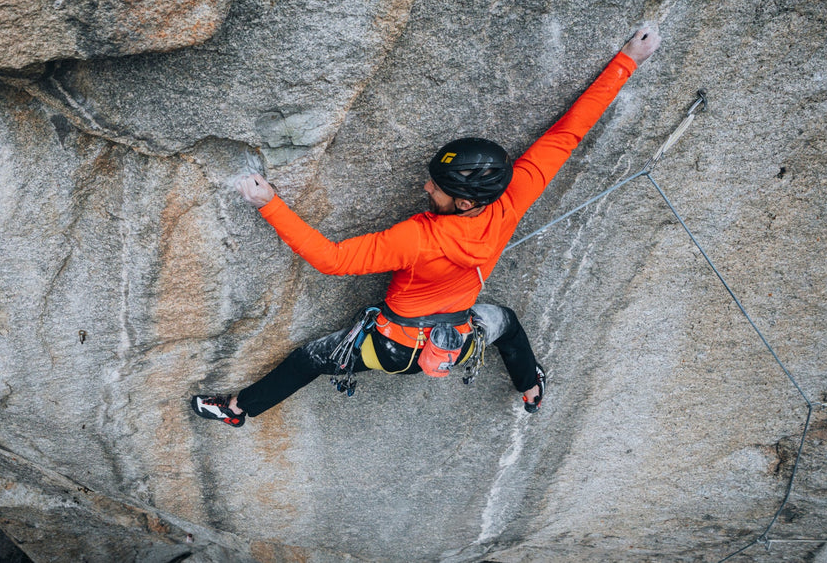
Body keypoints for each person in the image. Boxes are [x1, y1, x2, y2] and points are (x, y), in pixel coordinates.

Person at [191, 26, 662, 427]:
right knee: (507, 324)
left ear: (460, 201)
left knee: (309, 359)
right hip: (454, 343)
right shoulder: (513, 196)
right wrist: (628, 60)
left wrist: (269, 202)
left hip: (393, 349)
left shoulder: (417, 239)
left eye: (434, 188)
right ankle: (531, 386)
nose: (425, 188)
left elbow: (330, 260)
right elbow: (567, 134)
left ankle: (237, 409)